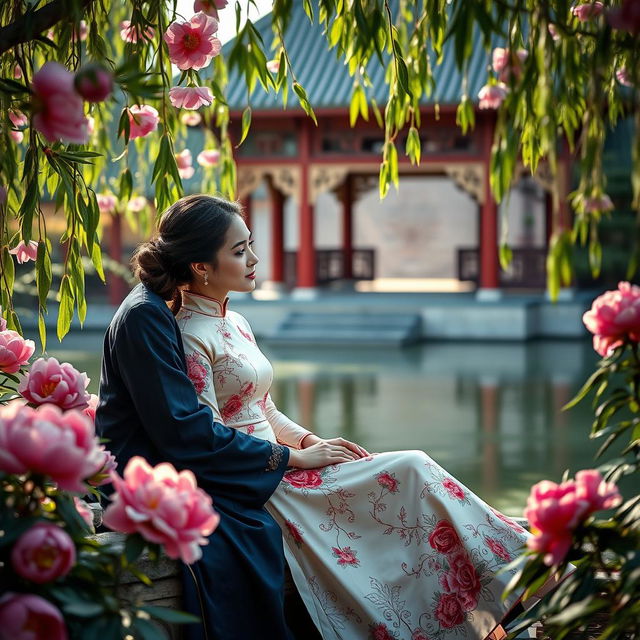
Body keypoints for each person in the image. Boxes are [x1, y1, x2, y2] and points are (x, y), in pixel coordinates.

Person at [138, 193, 541, 640]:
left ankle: (520, 580)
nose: (254, 258)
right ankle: (530, 574)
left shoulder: (236, 322)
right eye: (239, 251)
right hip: (258, 477)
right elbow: (213, 430)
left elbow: (263, 408)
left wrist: (311, 442)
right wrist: (296, 459)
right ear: (200, 268)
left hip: (285, 460)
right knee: (412, 466)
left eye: (250, 244)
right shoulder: (191, 335)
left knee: (408, 474)